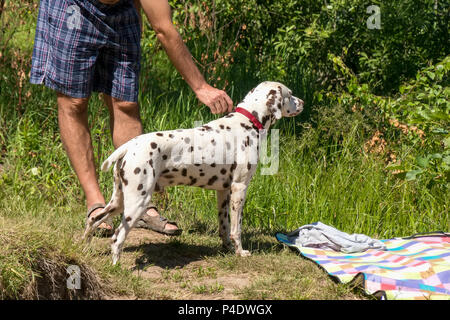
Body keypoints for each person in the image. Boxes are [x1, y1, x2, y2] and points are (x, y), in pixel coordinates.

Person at [30, 0, 233, 236]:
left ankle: (140, 204)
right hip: (73, 8)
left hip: (122, 12)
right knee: (74, 102)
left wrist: (200, 87)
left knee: (125, 102)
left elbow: (163, 28)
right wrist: (201, 87)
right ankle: (95, 203)